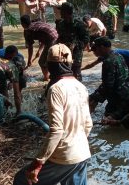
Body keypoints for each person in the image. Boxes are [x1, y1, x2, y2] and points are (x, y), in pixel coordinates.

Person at [13, 43, 93, 185]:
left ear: (50, 66)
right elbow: (88, 124)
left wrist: (38, 162)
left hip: (64, 157)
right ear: (69, 64)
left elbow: (57, 130)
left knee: (22, 179)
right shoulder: (81, 87)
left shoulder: (56, 89)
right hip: (83, 153)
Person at [89, 37, 129, 120]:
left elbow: (108, 85)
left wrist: (95, 98)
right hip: (128, 92)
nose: (94, 51)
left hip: (118, 96)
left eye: (95, 49)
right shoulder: (118, 55)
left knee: (109, 120)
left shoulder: (108, 62)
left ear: (101, 47)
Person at [56, 2, 89, 80]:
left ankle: (79, 90)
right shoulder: (60, 24)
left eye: (61, 11)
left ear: (67, 12)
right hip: (63, 52)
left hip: (76, 53)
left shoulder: (79, 24)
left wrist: (76, 46)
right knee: (64, 72)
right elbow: (59, 37)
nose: (60, 12)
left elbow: (86, 39)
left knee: (76, 72)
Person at [20, 15, 58, 81]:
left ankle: (46, 78)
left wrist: (29, 60)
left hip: (52, 40)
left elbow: (30, 47)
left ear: (22, 24)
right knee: (52, 59)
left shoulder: (28, 31)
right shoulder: (35, 23)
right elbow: (44, 36)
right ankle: (53, 75)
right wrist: (39, 51)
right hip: (57, 36)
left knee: (42, 62)